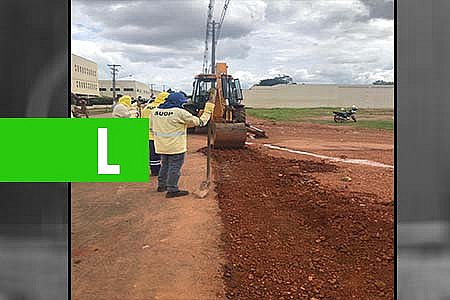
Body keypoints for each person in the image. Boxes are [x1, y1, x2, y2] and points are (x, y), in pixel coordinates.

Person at [152, 90, 215, 198]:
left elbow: (153, 127)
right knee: (174, 167)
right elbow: (200, 122)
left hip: (161, 145)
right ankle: (172, 189)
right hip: (176, 147)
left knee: (165, 165)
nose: (183, 105)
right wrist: (208, 110)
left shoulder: (155, 111)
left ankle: (162, 185)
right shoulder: (179, 112)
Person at [142, 91, 170, 176]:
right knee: (164, 154)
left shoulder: (147, 107)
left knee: (152, 154)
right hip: (160, 135)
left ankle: (154, 171)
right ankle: (164, 171)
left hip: (148, 134)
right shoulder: (162, 108)